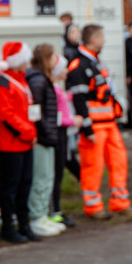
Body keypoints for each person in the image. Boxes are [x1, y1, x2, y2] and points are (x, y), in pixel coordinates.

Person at [66, 24, 132, 220]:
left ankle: (120, 201)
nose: (104, 41)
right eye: (102, 37)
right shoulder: (78, 65)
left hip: (109, 122)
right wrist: (87, 126)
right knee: (92, 166)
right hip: (94, 126)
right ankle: (93, 206)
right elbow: (78, 98)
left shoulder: (96, 62)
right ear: (93, 39)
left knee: (119, 161)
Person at [0, 42, 39, 243]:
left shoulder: (21, 80)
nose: (28, 63)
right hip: (11, 144)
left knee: (25, 185)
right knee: (10, 188)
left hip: (24, 141)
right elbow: (6, 115)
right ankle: (8, 227)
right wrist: (27, 131)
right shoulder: (4, 83)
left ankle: (24, 224)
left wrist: (29, 132)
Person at [26, 44, 65, 237]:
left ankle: (42, 214)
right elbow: (36, 111)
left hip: (48, 136)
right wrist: (47, 131)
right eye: (52, 57)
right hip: (42, 137)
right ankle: (36, 216)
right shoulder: (38, 80)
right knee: (41, 178)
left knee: (48, 176)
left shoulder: (42, 79)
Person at [50, 55, 79, 227]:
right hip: (59, 134)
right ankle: (54, 211)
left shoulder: (57, 87)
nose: (67, 71)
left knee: (60, 172)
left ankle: (56, 210)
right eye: (64, 68)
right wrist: (72, 121)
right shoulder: (53, 88)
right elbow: (57, 116)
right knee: (56, 174)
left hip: (64, 134)